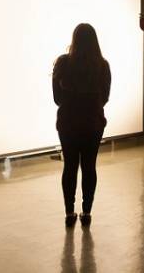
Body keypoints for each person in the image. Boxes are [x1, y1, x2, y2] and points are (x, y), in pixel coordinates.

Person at [53, 23, 111, 227]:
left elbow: (57, 99)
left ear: (74, 39)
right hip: (92, 123)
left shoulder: (63, 63)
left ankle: (70, 213)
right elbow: (105, 97)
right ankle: (86, 213)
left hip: (68, 123)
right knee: (89, 167)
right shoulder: (102, 66)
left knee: (69, 167)